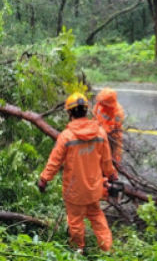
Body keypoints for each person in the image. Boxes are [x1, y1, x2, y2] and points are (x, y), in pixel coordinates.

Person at [38, 92, 118, 253]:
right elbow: (107, 161)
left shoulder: (66, 136)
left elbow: (54, 162)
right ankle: (107, 249)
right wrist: (112, 176)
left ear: (69, 113)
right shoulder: (100, 133)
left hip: (74, 191)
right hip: (94, 190)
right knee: (97, 217)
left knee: (75, 222)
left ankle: (77, 251)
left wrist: (44, 179)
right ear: (86, 111)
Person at [93, 88, 124, 163]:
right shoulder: (100, 105)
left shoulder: (117, 113)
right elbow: (94, 116)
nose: (100, 102)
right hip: (99, 136)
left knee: (112, 161)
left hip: (112, 140)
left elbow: (111, 130)